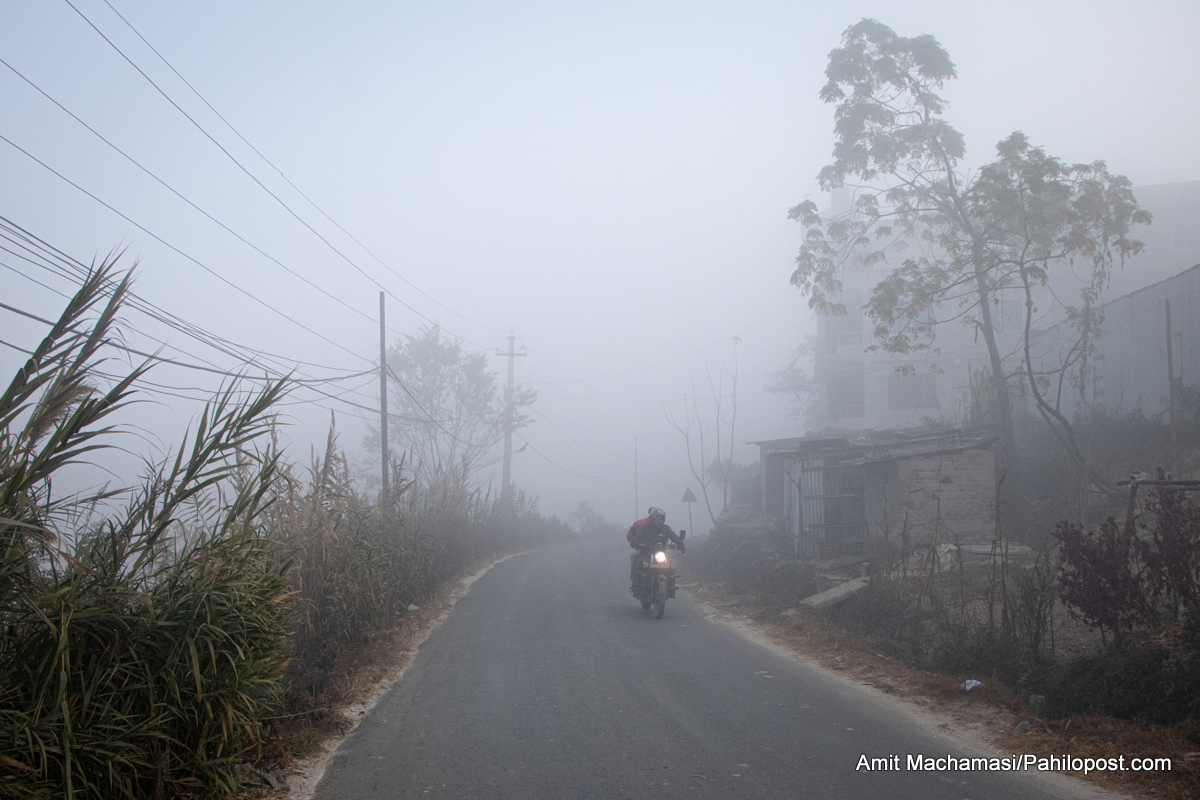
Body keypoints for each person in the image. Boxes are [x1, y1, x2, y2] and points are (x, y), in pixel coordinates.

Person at [627, 506, 685, 595]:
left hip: (661, 553)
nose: (658, 519)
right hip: (646, 552)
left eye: (660, 517)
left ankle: (670, 589)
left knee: (671, 566)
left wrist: (681, 544)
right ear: (651, 517)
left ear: (663, 518)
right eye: (656, 517)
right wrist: (636, 542)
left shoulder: (666, 528)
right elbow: (637, 536)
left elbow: (674, 536)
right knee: (638, 562)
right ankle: (637, 587)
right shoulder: (645, 527)